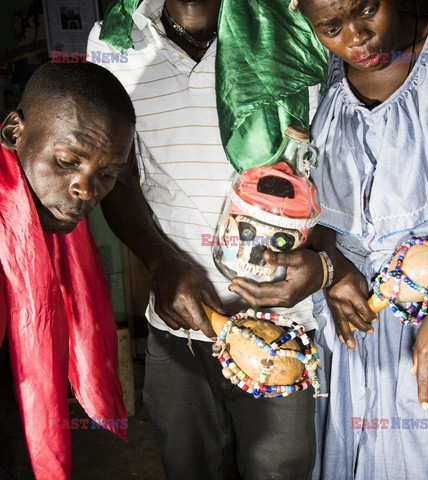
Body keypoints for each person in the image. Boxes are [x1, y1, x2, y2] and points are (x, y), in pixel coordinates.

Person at [87, 0, 323, 478]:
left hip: (280, 326)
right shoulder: (111, 42)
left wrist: (323, 266)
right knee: (189, 467)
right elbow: (115, 177)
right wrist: (159, 261)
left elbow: (338, 165)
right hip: (179, 328)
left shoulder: (294, 27)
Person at [281, 1, 428, 479]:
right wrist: (330, 262)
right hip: (354, 341)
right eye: (330, 27)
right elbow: (322, 206)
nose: (357, 38)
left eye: (366, 9)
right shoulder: (314, 78)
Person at [0, 61, 135, 479]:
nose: (86, 189)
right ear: (13, 132)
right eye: (66, 161)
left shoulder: (51, 226)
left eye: (107, 174)